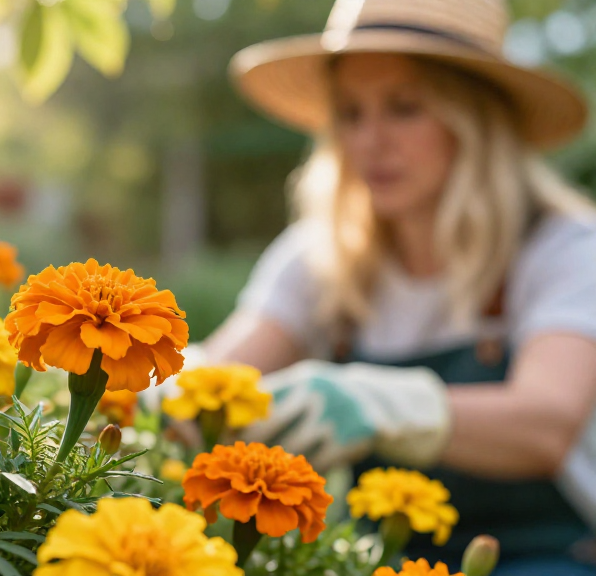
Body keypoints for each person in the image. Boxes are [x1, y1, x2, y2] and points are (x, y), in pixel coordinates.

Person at [201, 0, 596, 573]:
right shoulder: (322, 257)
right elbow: (220, 376)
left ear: (477, 119)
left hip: (548, 554)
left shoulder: (563, 249)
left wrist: (375, 403)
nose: (370, 141)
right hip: (377, 558)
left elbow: (546, 424)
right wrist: (129, 381)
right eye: (351, 113)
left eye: (405, 108)